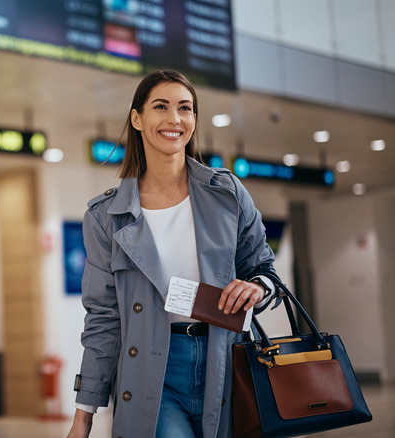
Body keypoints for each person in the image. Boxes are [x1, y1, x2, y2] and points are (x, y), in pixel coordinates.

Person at [67, 70, 279, 438]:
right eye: (161, 107)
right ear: (137, 118)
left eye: (185, 108)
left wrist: (257, 287)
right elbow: (103, 319)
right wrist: (83, 416)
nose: (174, 119)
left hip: (226, 360)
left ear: (194, 119)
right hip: (153, 371)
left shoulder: (227, 193)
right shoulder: (106, 217)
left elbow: (263, 268)